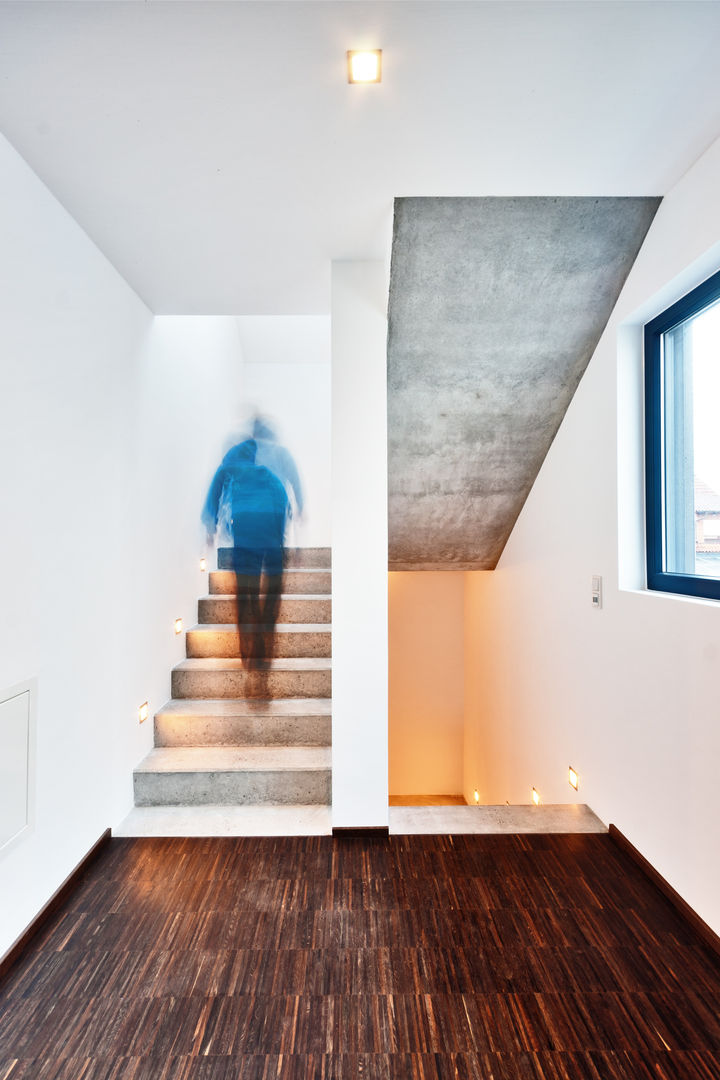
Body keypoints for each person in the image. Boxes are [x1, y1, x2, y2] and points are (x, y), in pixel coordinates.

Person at [202, 438, 289, 669]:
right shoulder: (267, 474)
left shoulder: (228, 468)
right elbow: (282, 499)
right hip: (270, 542)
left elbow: (213, 495)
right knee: (270, 599)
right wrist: (281, 536)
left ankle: (248, 654)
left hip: (245, 538)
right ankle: (263, 645)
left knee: (245, 597)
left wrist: (211, 529)